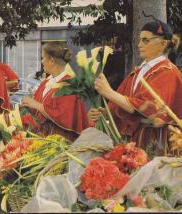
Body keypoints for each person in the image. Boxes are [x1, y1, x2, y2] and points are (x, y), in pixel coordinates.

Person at [90, 20, 182, 156]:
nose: (139, 45)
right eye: (139, 40)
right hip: (134, 140)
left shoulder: (169, 72)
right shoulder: (139, 71)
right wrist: (105, 112)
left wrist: (108, 92)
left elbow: (144, 107)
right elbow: (124, 103)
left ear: (163, 43)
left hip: (156, 143)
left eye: (145, 40)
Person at [22, 42, 89, 142]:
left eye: (43, 57)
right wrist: (30, 106)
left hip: (60, 143)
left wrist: (37, 105)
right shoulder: (46, 82)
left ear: (52, 60)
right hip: (42, 139)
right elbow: (39, 112)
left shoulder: (69, 84)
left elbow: (63, 117)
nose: (41, 61)